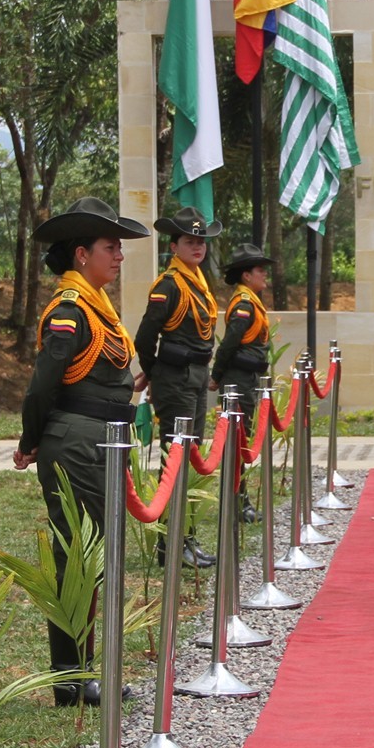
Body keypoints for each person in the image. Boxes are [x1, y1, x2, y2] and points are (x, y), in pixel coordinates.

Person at [15, 196, 150, 706]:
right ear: (80, 255)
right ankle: (71, 679)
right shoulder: (70, 311)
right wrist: (30, 440)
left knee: (90, 556)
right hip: (76, 439)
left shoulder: (95, 305)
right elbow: (42, 384)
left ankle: (79, 674)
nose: (119, 256)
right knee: (78, 556)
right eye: (110, 247)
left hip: (100, 439)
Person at [134, 205, 221, 570]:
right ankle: (170, 544)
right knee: (176, 460)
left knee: (189, 457)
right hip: (176, 377)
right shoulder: (169, 285)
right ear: (175, 247)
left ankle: (185, 537)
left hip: (197, 376)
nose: (197, 246)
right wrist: (154, 374)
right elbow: (144, 337)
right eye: (189, 241)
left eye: (201, 240)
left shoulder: (199, 282)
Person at [212, 245, 273, 523]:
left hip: (246, 379)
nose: (265, 276)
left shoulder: (250, 301)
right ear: (246, 275)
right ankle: (237, 502)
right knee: (237, 443)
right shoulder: (244, 305)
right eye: (260, 271)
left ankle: (240, 500)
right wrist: (216, 375)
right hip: (237, 380)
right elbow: (228, 345)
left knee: (242, 441)